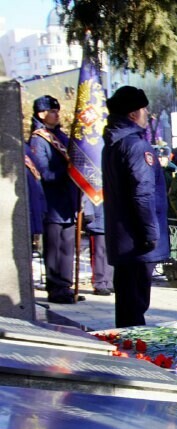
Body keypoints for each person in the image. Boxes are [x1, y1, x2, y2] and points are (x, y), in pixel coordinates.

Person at [102, 85, 170, 327]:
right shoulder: (135, 145)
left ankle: (128, 348)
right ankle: (132, 359)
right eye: (144, 109)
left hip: (124, 237)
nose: (147, 114)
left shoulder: (114, 143)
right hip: (137, 239)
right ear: (133, 114)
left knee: (128, 303)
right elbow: (142, 193)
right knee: (135, 304)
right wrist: (151, 232)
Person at [28, 95, 80, 304]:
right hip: (52, 202)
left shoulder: (61, 137)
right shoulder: (38, 139)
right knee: (54, 248)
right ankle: (55, 287)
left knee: (68, 246)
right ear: (42, 114)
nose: (57, 114)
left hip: (67, 201)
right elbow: (44, 172)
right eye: (53, 111)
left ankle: (66, 285)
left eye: (57, 111)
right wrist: (68, 171)